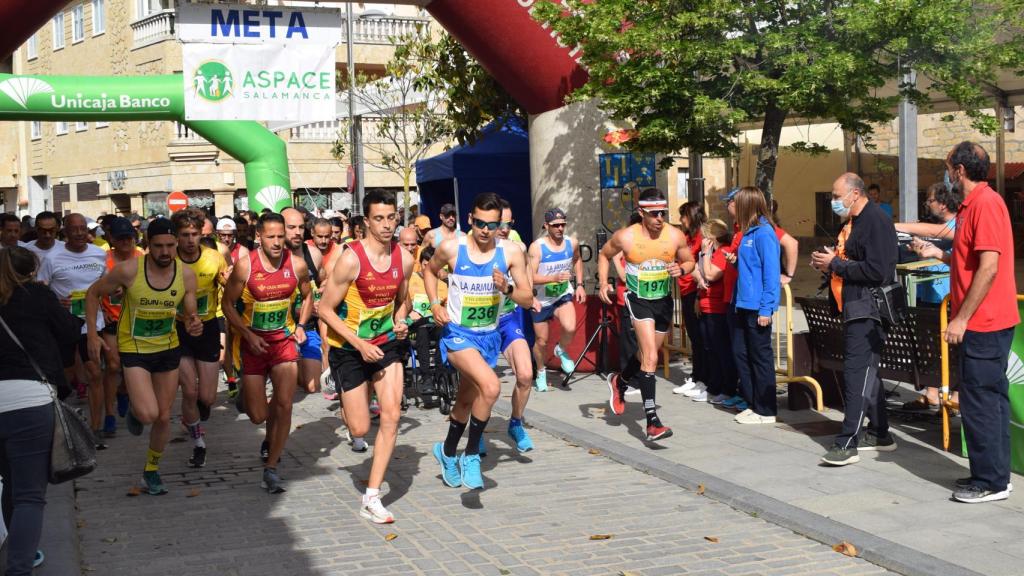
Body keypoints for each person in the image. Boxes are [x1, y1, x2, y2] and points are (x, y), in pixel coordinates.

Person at [916, 142, 1018, 503]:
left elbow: (989, 268)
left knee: (982, 402)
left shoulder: (986, 205)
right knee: (983, 400)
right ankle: (989, 474)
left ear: (959, 170)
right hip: (982, 321)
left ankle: (992, 482)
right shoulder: (973, 206)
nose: (947, 176)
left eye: (948, 168)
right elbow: (970, 265)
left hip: (985, 322)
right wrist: (938, 254)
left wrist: (960, 318)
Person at [85, 218, 202, 495]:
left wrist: (193, 322)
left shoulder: (186, 275)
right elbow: (93, 294)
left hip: (167, 347)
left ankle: (151, 470)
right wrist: (93, 334)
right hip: (134, 348)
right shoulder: (127, 271)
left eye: (170, 246)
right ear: (147, 245)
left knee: (163, 417)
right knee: (149, 413)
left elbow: (190, 311)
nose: (165, 252)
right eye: (158, 246)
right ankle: (137, 410)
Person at [426, 193, 533, 490]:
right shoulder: (451, 248)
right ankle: (471, 455)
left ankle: (446, 452)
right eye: (480, 223)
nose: (486, 230)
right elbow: (429, 270)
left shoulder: (511, 252)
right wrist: (435, 303)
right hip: (458, 334)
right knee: (491, 386)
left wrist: (507, 287)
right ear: (470, 220)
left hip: (489, 335)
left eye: (492, 224)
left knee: (464, 401)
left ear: (501, 224)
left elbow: (527, 298)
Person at [319, 190, 414, 523]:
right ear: (366, 221)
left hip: (386, 344)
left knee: (391, 415)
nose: (387, 225)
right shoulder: (350, 259)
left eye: (391, 217)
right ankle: (344, 392)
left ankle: (371, 496)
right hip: (349, 348)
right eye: (379, 218)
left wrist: (401, 320)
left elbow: (404, 301)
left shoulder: (404, 258)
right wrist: (358, 344)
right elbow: (325, 310)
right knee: (360, 427)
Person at [0, 247, 81, 576]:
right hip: (29, 400)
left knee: (9, 481)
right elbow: (69, 333)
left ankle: (22, 551)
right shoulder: (37, 295)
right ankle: (19, 566)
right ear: (32, 272)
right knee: (30, 494)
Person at [221, 212, 313, 494]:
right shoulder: (245, 267)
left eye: (280, 236)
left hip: (283, 343)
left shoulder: (297, 265)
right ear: (258, 237)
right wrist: (247, 334)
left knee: (285, 405)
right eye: (270, 237)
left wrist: (301, 325)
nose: (276, 242)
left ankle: (271, 467)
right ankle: (250, 401)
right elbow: (227, 304)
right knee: (258, 416)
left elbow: (309, 295)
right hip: (252, 346)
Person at [812, 173, 898, 466]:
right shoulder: (852, 222)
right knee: (866, 372)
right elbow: (850, 260)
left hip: (868, 310)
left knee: (855, 373)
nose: (834, 201)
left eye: (837, 196)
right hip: (852, 306)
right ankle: (881, 433)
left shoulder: (875, 220)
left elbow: (877, 270)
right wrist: (828, 263)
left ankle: (847, 442)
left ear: (856, 194)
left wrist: (836, 263)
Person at [598, 188, 695, 441]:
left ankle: (619, 382)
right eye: (653, 214)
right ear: (641, 213)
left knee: (645, 354)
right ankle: (653, 423)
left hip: (662, 300)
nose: (659, 218)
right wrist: (602, 283)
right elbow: (604, 254)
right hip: (637, 299)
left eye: (663, 212)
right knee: (651, 357)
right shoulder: (626, 237)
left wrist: (682, 269)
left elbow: (690, 261)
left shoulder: (675, 235)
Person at [36, 214, 108, 444]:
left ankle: (96, 429)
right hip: (64, 326)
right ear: (64, 232)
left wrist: (113, 293)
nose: (78, 233)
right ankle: (63, 427)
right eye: (73, 229)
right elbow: (41, 291)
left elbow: (107, 286)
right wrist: (56, 303)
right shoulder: (52, 258)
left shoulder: (98, 254)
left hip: (92, 325)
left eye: (81, 228)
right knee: (65, 380)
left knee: (95, 374)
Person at [170, 209, 228, 468]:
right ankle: (198, 443)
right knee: (189, 391)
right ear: (176, 237)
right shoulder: (166, 260)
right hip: (177, 330)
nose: (191, 240)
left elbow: (230, 287)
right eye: (185, 235)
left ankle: (198, 413)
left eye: (195, 234)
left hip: (207, 328)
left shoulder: (215, 258)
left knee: (208, 397)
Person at [731, 187, 781, 425]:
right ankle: (753, 403)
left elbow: (771, 274)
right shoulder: (748, 233)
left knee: (760, 357)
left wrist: (766, 308)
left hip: (756, 307)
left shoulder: (764, 233)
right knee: (742, 354)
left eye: (737, 203)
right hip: (742, 304)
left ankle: (766, 409)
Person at [493, 199, 537, 452]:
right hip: (480, 324)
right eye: (500, 223)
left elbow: (526, 280)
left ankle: (516, 422)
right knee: (484, 386)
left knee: (525, 374)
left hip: (507, 318)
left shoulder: (514, 248)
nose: (504, 228)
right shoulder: (470, 246)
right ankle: (476, 434)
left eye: (508, 223)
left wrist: (528, 296)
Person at [528, 208, 585, 391]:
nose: (560, 228)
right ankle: (541, 371)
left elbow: (577, 260)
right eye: (555, 225)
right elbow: (530, 277)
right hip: (541, 299)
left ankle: (560, 349)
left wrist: (580, 284)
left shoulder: (572, 242)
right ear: (546, 226)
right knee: (542, 341)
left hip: (561, 294)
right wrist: (552, 278)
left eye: (562, 224)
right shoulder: (537, 247)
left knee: (570, 327)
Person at [98, 218, 143, 438]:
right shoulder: (103, 260)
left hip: (136, 321)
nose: (126, 242)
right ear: (112, 239)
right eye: (121, 238)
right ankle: (109, 415)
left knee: (130, 366)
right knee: (113, 365)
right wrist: (101, 310)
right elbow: (92, 290)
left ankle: (124, 390)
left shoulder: (142, 257)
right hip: (112, 321)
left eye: (129, 237)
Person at [283, 208, 324, 396]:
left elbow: (326, 283)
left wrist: (321, 301)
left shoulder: (314, 254)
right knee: (284, 386)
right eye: (291, 227)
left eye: (300, 227)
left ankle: (296, 361)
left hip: (306, 327)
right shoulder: (270, 257)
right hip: (279, 330)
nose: (297, 232)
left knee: (312, 386)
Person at [695, 219, 735, 405]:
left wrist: (704, 253)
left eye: (705, 237)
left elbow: (711, 274)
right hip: (706, 304)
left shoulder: (723, 251)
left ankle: (725, 388)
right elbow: (699, 270)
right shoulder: (713, 253)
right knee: (710, 349)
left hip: (717, 307)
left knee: (720, 350)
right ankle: (714, 385)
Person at [673, 201, 707, 397]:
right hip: (685, 290)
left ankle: (703, 379)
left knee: (701, 339)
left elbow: (699, 265)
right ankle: (696, 377)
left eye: (683, 216)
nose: (680, 220)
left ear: (691, 216)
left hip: (696, 291)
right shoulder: (687, 237)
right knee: (694, 338)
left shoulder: (703, 237)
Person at [406, 245, 447, 401]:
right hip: (416, 325)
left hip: (436, 324)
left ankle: (440, 372)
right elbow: (404, 303)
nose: (427, 269)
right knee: (422, 330)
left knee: (443, 333)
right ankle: (426, 377)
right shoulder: (411, 280)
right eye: (425, 265)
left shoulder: (443, 285)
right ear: (420, 263)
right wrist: (409, 314)